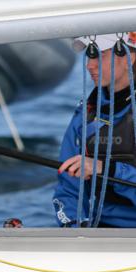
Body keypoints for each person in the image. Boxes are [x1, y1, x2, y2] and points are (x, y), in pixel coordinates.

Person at [53, 32, 136, 227]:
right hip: (101, 234)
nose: (89, 65)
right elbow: (68, 189)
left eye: (100, 54)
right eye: (89, 55)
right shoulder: (86, 112)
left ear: (130, 57)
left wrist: (108, 170)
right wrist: (74, 226)